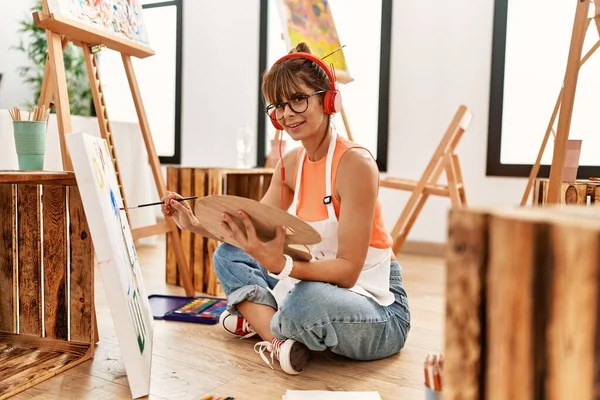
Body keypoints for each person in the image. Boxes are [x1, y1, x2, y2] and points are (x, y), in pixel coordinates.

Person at [161, 42, 411, 375]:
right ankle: (280, 339)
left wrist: (282, 265)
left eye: (298, 99)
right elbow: (253, 229)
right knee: (227, 254)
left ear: (327, 99)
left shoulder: (355, 164)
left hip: (378, 307)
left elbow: (348, 271)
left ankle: (260, 320)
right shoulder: (290, 164)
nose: (287, 113)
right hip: (320, 284)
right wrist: (195, 225)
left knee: (306, 300)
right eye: (278, 105)